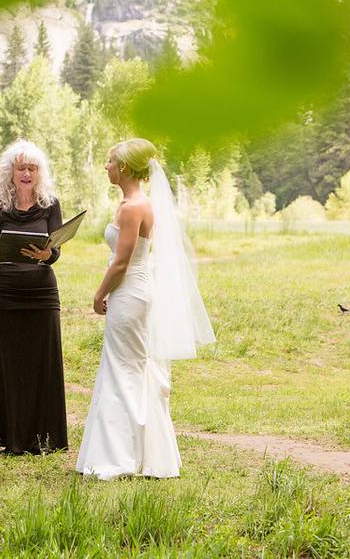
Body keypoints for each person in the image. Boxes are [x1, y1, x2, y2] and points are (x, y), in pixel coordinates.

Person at [76, 138, 215, 479]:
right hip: (139, 290)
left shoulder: (130, 208)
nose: (106, 167)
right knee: (134, 366)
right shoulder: (140, 203)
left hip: (128, 292)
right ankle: (146, 452)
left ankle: (120, 455)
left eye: (109, 162)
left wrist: (98, 294)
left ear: (123, 168)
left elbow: (121, 261)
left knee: (123, 368)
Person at [0, 140, 68, 455]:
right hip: (6, 294)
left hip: (42, 294)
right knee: (9, 365)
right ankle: (9, 438)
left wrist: (48, 252)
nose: (27, 173)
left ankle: (46, 438)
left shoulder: (50, 204)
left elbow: (55, 251)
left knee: (43, 364)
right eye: (21, 168)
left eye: (32, 168)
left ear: (39, 172)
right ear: (11, 172)